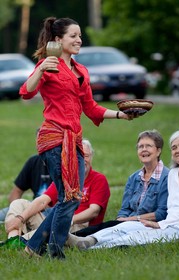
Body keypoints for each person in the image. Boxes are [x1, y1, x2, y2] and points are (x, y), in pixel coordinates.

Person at [19, 16, 138, 259]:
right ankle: (55, 251)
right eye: (73, 36)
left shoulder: (81, 70)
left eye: (80, 35)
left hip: (73, 140)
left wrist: (120, 115)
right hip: (53, 138)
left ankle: (34, 249)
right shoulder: (48, 65)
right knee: (69, 197)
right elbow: (26, 91)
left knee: (68, 198)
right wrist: (41, 68)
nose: (79, 40)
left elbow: (91, 108)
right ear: (57, 40)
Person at [67, 129, 179, 250]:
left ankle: (89, 248)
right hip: (159, 222)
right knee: (118, 228)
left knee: (136, 236)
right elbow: (171, 206)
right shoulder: (172, 174)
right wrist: (123, 220)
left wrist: (162, 224)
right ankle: (88, 240)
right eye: (174, 147)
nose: (178, 150)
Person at [2, 139, 110, 244]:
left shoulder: (99, 179)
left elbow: (93, 211)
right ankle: (13, 237)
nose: (82, 159)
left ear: (91, 157)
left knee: (51, 227)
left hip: (79, 225)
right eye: (77, 155)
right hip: (57, 221)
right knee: (18, 203)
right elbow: (43, 200)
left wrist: (68, 219)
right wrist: (20, 218)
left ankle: (19, 241)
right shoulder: (66, 179)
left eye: (86, 155)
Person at [70, 129, 169, 238]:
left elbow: (161, 213)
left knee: (104, 233)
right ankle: (74, 238)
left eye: (148, 146)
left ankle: (77, 240)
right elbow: (124, 210)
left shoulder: (166, 177)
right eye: (140, 147)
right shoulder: (134, 178)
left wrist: (131, 219)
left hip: (150, 226)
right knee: (105, 228)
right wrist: (121, 221)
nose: (144, 150)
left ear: (158, 151)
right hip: (128, 224)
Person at [0, 154, 52, 223]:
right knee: (5, 213)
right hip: (33, 206)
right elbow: (16, 192)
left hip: (51, 210)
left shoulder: (64, 164)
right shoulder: (33, 162)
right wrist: (16, 210)